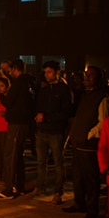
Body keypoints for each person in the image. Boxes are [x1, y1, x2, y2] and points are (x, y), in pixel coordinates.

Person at [63, 66, 109, 218]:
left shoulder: (102, 97)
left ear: (98, 79)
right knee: (78, 177)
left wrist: (89, 135)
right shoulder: (84, 95)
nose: (87, 78)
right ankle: (79, 203)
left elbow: (103, 122)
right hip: (78, 143)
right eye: (86, 75)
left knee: (91, 179)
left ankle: (92, 209)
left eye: (91, 76)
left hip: (89, 146)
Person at [0, 59, 34, 200]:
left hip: (17, 124)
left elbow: (9, 101)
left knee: (10, 155)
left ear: (14, 69)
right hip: (23, 123)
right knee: (17, 156)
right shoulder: (28, 82)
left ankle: (9, 188)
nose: (9, 72)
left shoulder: (19, 83)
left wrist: (1, 99)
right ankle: (20, 185)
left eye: (9, 69)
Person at [33, 60, 73, 204]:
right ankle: (40, 186)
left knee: (58, 162)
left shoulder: (63, 89)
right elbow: (37, 106)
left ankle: (58, 191)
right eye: (45, 72)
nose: (46, 75)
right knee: (40, 162)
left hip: (56, 131)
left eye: (49, 72)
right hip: (42, 130)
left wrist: (47, 117)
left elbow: (66, 112)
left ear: (57, 72)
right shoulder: (43, 89)